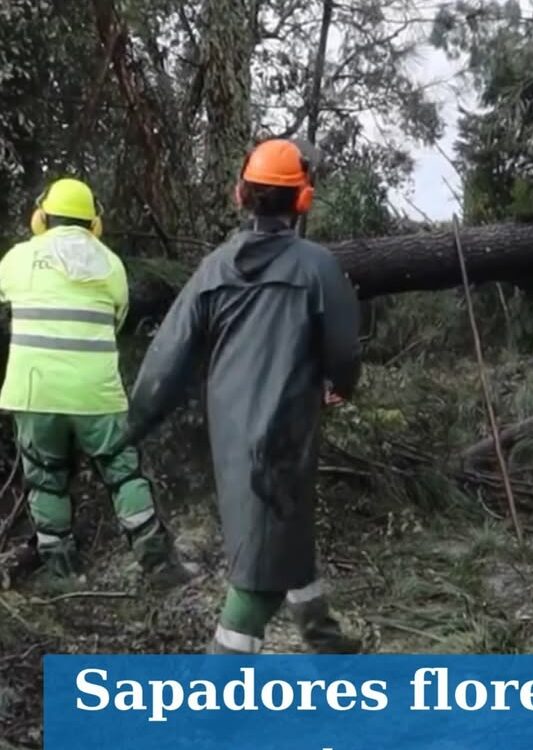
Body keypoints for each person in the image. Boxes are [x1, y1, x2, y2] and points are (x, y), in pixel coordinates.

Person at [119, 139, 363, 654]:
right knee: (257, 577)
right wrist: (339, 386)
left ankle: (326, 642)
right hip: (288, 432)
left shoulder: (214, 269)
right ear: (302, 201)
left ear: (240, 195)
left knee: (282, 535)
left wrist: (131, 427)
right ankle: (215, 701)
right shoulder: (317, 267)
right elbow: (344, 349)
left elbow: (166, 362)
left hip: (230, 437)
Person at [0, 177, 195, 589]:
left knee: (45, 476)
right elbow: (118, 320)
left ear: (42, 217)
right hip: (96, 393)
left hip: (34, 391)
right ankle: (159, 565)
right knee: (123, 473)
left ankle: (63, 573)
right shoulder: (111, 265)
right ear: (94, 225)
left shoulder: (18, 259)